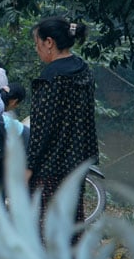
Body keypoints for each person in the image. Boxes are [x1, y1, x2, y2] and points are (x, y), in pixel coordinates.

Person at [27, 16, 98, 230]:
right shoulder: (83, 69)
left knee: (45, 225)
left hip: (50, 167)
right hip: (77, 163)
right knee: (72, 221)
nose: (37, 49)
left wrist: (29, 167)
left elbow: (41, 129)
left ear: (49, 42)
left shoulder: (51, 77)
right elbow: (87, 123)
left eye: (37, 44)